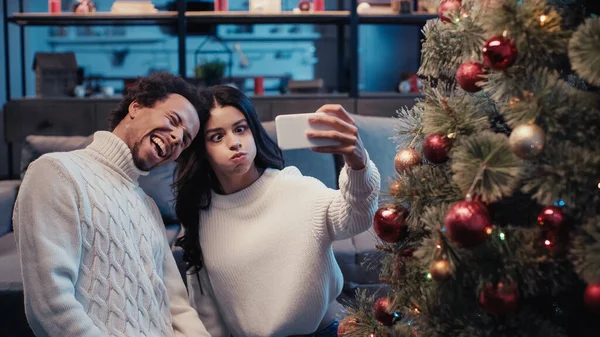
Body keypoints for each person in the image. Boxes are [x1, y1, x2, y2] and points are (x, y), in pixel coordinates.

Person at [13, 72, 211, 337]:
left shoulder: (148, 206)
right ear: (136, 107)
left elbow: (178, 309)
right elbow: (51, 307)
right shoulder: (56, 172)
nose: (176, 137)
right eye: (173, 120)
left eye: (185, 139)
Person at [174, 85, 381, 336]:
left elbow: (357, 217)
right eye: (217, 136)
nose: (234, 143)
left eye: (241, 129)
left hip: (327, 330)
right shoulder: (199, 216)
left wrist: (358, 164)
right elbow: (206, 308)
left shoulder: (293, 188)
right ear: (201, 150)